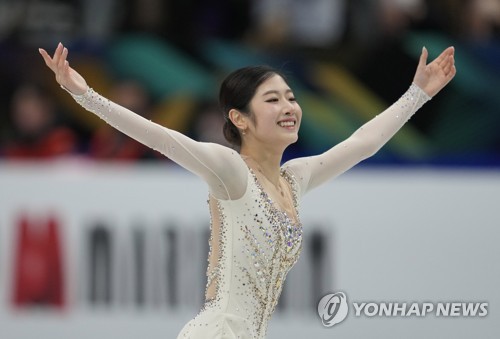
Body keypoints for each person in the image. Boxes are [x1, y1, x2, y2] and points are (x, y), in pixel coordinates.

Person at [39, 42, 455, 338]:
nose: (289, 107)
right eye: (273, 100)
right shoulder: (232, 171)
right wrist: (86, 96)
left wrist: (417, 94)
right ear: (239, 118)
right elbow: (162, 139)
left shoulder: (294, 178)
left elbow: (362, 143)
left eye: (291, 98)